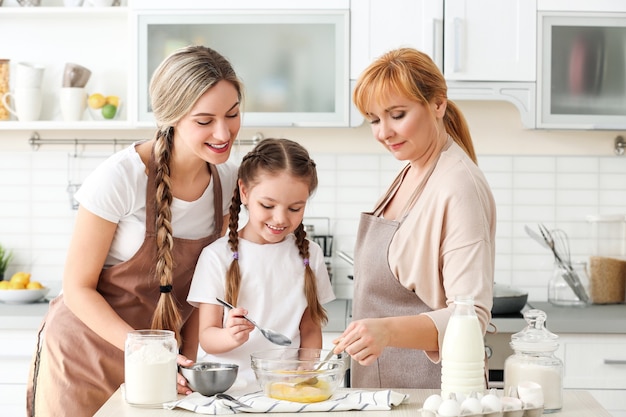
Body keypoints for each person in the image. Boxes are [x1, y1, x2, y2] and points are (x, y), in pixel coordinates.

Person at [26, 45, 243, 417]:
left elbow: (200, 291)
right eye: (205, 120)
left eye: (233, 114)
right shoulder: (120, 178)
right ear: (172, 117)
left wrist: (184, 362)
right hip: (85, 353)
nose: (224, 132)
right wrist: (148, 351)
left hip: (160, 361)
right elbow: (77, 288)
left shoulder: (227, 181)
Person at [332, 47, 496, 389]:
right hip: (384, 388)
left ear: (438, 104)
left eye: (397, 114)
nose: (384, 132)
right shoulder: (413, 169)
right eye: (375, 120)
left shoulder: (458, 184)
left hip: (430, 393)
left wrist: (387, 330)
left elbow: (471, 317)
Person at [187, 138, 335, 387]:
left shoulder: (310, 254)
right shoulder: (216, 257)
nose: (280, 218)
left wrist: (306, 372)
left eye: (295, 208)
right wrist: (229, 336)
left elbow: (310, 330)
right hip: (229, 389)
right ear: (244, 192)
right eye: (267, 205)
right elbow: (207, 337)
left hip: (285, 389)